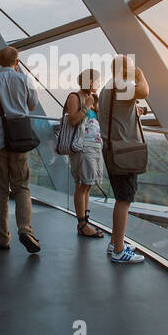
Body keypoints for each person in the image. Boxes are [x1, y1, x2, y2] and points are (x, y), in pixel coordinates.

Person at [0, 46, 41, 254]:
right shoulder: (25, 80)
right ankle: (25, 229)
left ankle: (3, 237)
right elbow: (32, 105)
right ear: (17, 62)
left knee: (0, 189)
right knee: (22, 186)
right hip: (20, 140)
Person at [98, 55, 149, 265]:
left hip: (112, 148)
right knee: (124, 199)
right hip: (123, 151)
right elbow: (145, 91)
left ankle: (114, 243)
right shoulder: (121, 85)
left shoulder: (108, 87)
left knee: (122, 197)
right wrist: (141, 75)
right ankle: (119, 250)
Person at [64, 69, 105, 239]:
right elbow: (73, 119)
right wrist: (86, 106)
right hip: (81, 148)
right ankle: (82, 224)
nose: (98, 84)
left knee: (87, 185)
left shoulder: (93, 99)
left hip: (93, 146)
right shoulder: (75, 97)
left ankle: (85, 221)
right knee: (82, 185)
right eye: (96, 81)